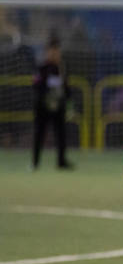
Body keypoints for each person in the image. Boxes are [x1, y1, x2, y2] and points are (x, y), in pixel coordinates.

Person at [32, 37, 73, 170]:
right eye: (52, 51)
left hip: (58, 107)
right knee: (39, 134)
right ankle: (35, 163)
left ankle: (61, 162)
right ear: (47, 52)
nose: (55, 53)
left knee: (61, 134)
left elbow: (66, 88)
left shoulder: (62, 68)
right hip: (43, 107)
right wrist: (46, 96)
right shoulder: (41, 67)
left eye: (57, 51)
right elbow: (36, 85)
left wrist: (69, 105)